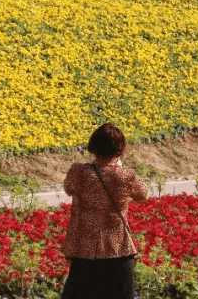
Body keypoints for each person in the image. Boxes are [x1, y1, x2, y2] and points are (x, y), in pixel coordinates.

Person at [60, 124, 148, 299]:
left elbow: (69, 189)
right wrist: (119, 168)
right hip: (118, 252)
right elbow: (142, 195)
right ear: (119, 150)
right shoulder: (125, 176)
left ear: (93, 146)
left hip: (84, 254)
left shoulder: (78, 172)